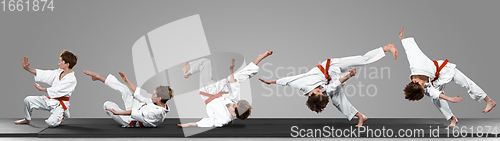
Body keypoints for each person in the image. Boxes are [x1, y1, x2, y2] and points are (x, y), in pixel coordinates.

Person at [259, 44, 397, 127]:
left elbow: (288, 80)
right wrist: (349, 76)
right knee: (336, 100)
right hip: (333, 79)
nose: (321, 91)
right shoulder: (324, 92)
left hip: (331, 66)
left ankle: (386, 48)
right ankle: (361, 116)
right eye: (321, 93)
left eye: (319, 92)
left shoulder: (302, 84)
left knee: (362, 60)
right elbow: (334, 85)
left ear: (311, 94)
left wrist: (271, 82)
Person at [399, 27, 496, 127]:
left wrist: (402, 39)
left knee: (466, 82)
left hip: (443, 70)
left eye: (422, 85)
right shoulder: (422, 88)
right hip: (435, 83)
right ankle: (452, 118)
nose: (424, 86)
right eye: (423, 88)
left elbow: (410, 51)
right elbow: (435, 93)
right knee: (436, 100)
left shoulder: (416, 64)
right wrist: (450, 99)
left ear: (415, 81)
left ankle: (489, 101)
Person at [177, 50, 273, 127]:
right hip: (219, 89)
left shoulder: (223, 119)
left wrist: (189, 124)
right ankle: (258, 60)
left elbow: (209, 122)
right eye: (236, 103)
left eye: (234, 105)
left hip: (207, 92)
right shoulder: (235, 103)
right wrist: (231, 70)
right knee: (236, 78)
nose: (234, 102)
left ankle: (187, 73)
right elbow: (233, 83)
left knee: (205, 62)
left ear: (235, 114)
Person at [84, 70, 172, 127]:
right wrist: (127, 81)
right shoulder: (158, 102)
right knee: (124, 89)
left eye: (154, 94)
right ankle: (98, 77)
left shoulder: (157, 113)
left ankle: (118, 114)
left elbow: (133, 113)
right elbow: (139, 92)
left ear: (159, 98)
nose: (152, 95)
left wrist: (117, 113)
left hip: (131, 120)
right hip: (136, 107)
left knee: (107, 104)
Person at [14, 50, 78, 127]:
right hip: (50, 100)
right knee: (28, 100)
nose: (59, 62)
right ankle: (27, 119)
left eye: (61, 61)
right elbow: (44, 74)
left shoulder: (71, 79)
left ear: (67, 64)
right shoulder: (58, 72)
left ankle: (61, 116)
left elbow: (58, 90)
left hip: (60, 105)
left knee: (51, 123)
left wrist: (42, 89)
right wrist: (27, 69)